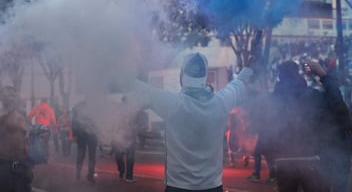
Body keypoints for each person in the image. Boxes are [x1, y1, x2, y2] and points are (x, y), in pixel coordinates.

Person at [128, 52, 254, 191]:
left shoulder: (172, 104)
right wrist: (248, 67)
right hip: (212, 187)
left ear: (183, 75)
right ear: (204, 76)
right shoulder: (220, 103)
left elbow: (137, 88)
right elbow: (239, 83)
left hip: (177, 187)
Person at [266, 60, 332, 192]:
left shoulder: (274, 100)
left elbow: (267, 130)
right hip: (310, 158)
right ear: (297, 76)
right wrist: (323, 76)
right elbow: (335, 104)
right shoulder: (312, 96)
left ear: (280, 77)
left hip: (284, 160)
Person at [305, 60, 352, 192]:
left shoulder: (340, 103)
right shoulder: (327, 100)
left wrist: (323, 76)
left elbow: (339, 105)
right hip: (330, 148)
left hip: (336, 149)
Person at [0, 86, 33, 192]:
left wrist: (30, 133)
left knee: (23, 188)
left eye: (13, 95)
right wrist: (7, 112)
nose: (10, 98)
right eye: (7, 95)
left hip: (20, 162)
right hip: (3, 163)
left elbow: (26, 132)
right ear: (2, 98)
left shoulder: (21, 115)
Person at [71, 100, 98, 184]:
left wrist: (75, 134)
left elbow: (74, 122)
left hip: (83, 134)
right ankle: (89, 175)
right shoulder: (95, 107)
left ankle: (78, 174)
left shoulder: (78, 106)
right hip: (89, 134)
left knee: (81, 155)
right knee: (90, 156)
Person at [114, 96, 138, 183]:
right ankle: (128, 176)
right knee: (129, 157)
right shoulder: (132, 110)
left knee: (121, 156)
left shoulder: (118, 110)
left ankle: (122, 172)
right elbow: (136, 124)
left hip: (121, 136)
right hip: (127, 136)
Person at [28, 98, 57, 162]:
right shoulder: (50, 108)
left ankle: (37, 157)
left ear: (41, 101)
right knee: (46, 143)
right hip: (46, 128)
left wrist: (30, 124)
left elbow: (29, 116)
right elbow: (53, 120)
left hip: (37, 127)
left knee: (37, 142)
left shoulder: (36, 107)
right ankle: (46, 157)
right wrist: (55, 128)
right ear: (46, 101)